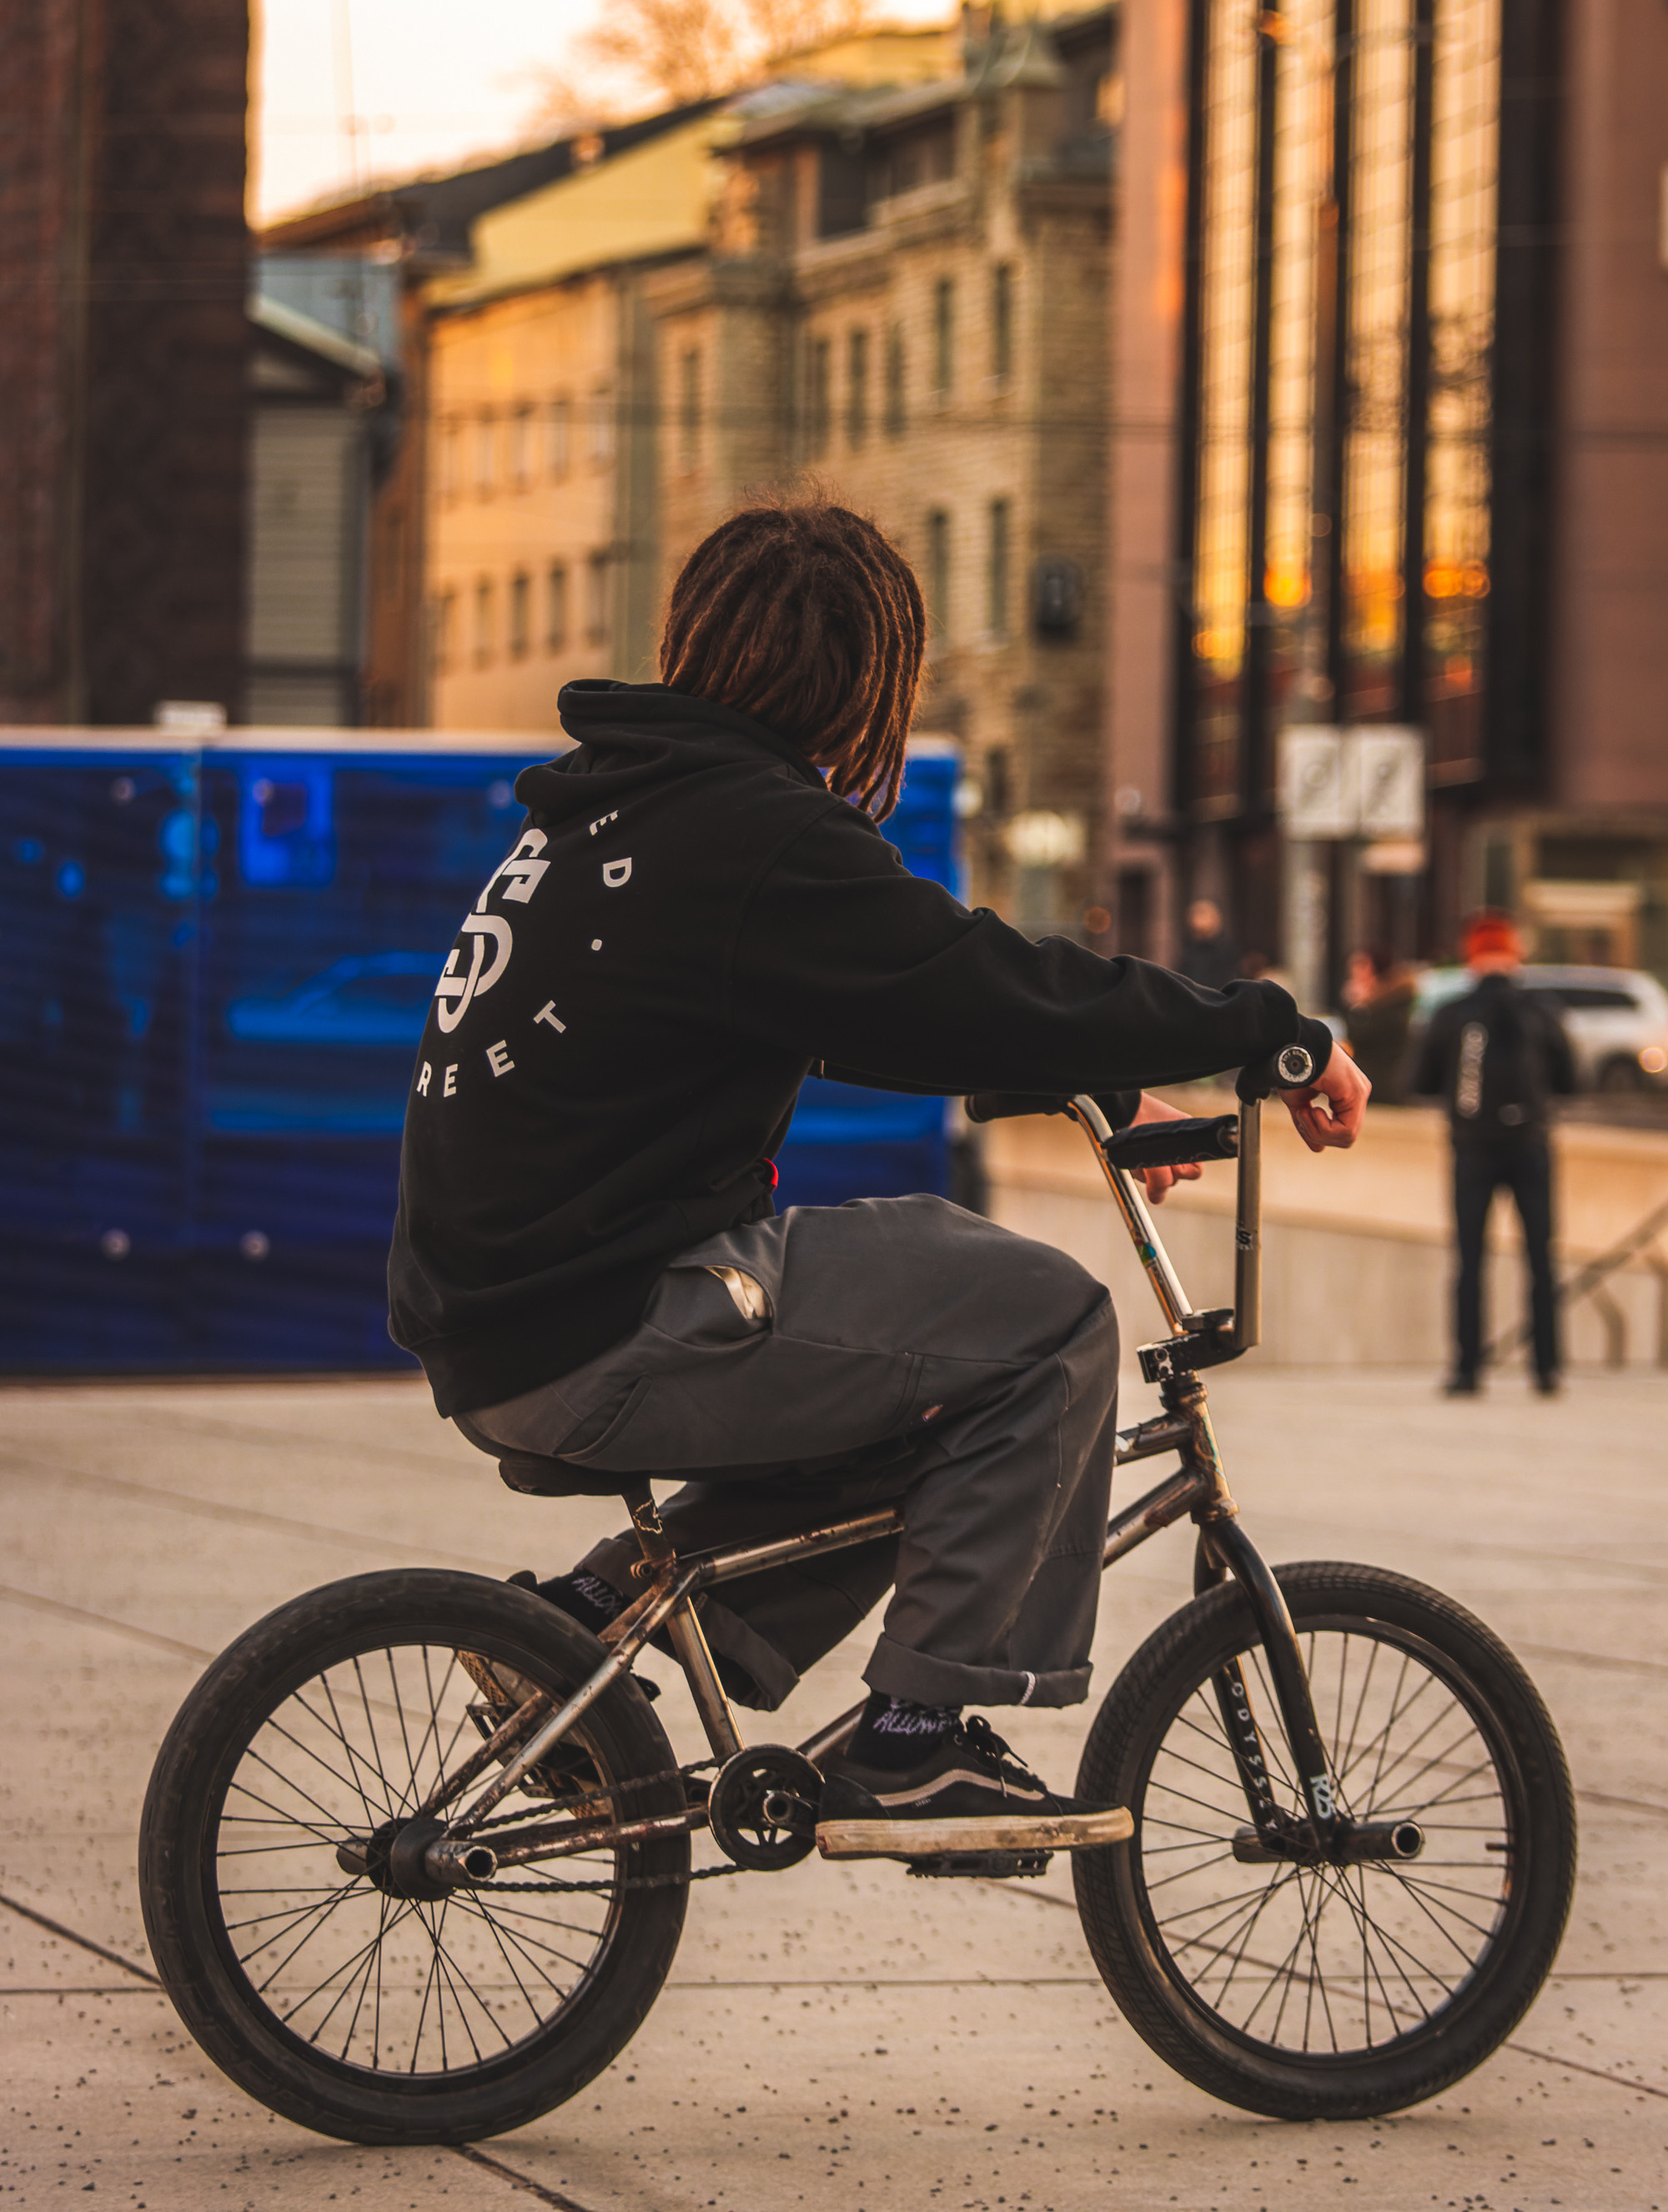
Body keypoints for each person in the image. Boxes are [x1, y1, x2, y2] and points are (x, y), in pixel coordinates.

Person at [389, 494, 1369, 1854]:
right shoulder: (757, 832)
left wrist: (1075, 1068)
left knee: (927, 1374)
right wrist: (1267, 1029)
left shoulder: (618, 813)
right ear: (867, 681)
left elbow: (841, 1005)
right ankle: (917, 1744)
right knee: (1045, 1326)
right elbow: (968, 977)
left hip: (506, 1317)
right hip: (610, 1316)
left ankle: (596, 1623)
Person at [1413, 913, 1576, 1397]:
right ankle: (1546, 1368)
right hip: (1531, 1144)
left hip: (1473, 1147)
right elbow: (1570, 1079)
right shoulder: (1540, 1011)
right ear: (1515, 955)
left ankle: (1467, 1368)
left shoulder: (1452, 1013)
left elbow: (1421, 1081)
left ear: (1470, 958)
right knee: (1542, 1259)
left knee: (1469, 1261)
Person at [1341, 943, 1418, 1105]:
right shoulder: (1386, 1003)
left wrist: (1358, 1007)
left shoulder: (1390, 1006)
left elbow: (1358, 1036)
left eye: (1360, 967)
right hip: (1374, 1082)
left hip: (1381, 1087)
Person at [1179, 896, 1239, 991]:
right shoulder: (1188, 948)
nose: (1199, 921)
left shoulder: (1223, 948)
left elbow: (1228, 978)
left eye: (1203, 916)